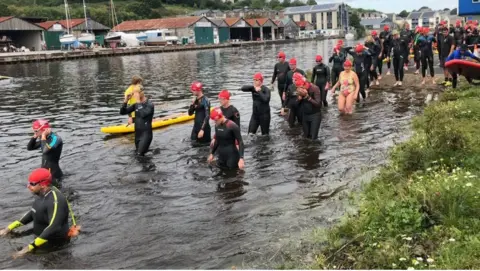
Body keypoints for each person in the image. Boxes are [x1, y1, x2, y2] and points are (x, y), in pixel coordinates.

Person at [0, 168, 76, 259]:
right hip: (39, 239)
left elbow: (54, 227)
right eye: (29, 183)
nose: (28, 186)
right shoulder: (40, 193)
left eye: (32, 184)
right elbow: (33, 212)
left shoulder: (56, 200)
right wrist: (8, 229)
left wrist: (28, 248)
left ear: (43, 185)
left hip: (54, 245)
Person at [119, 85, 154, 155]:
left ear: (141, 93)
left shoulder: (150, 104)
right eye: (133, 93)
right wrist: (125, 101)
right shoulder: (136, 105)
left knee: (139, 155)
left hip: (146, 135)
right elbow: (122, 112)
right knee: (138, 156)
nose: (134, 95)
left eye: (135, 93)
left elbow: (143, 114)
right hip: (138, 135)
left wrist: (138, 101)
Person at [27, 119, 63, 185]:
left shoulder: (56, 138)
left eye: (36, 131)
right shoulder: (44, 139)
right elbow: (29, 148)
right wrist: (35, 136)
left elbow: (45, 151)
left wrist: (43, 136)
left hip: (53, 173)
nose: (35, 133)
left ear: (44, 130)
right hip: (44, 172)